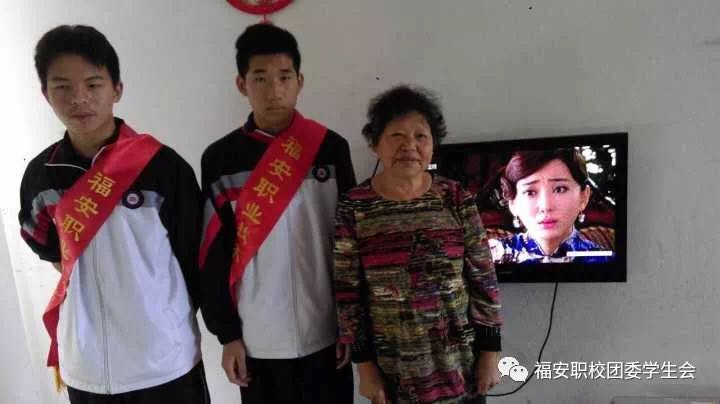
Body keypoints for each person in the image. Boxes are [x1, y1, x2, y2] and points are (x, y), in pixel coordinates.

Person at [18, 25, 209, 403]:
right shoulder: (41, 176)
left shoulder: (162, 167)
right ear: (45, 94)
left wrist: (161, 314)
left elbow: (194, 255)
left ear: (117, 89)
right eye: (63, 87)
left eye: (93, 84)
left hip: (165, 360)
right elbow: (45, 245)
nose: (79, 98)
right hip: (86, 365)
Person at [199, 23, 356, 404]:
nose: (274, 90)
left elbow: (351, 243)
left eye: (284, 77)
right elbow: (213, 255)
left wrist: (350, 324)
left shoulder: (330, 148)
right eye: (261, 78)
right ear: (242, 84)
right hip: (258, 341)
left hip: (326, 334)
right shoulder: (220, 159)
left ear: (300, 81)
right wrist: (227, 335)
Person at [334, 85, 503, 404]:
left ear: (433, 144)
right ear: (375, 143)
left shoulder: (456, 198)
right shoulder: (354, 206)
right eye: (396, 135)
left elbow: (484, 280)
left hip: (460, 370)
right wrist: (364, 366)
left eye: (420, 136)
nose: (409, 146)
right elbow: (348, 295)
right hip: (394, 376)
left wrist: (490, 352)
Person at [489, 149, 613, 264]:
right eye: (530, 192)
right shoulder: (490, 259)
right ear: (512, 204)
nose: (546, 206)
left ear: (583, 197)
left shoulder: (605, 261)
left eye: (560, 189)